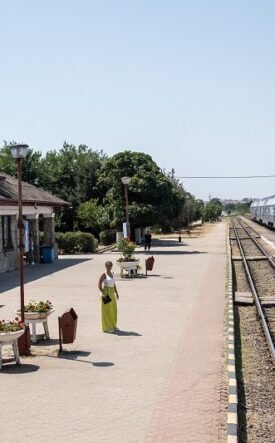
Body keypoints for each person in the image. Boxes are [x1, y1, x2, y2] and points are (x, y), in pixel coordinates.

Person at [98, 261, 119, 333]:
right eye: (108, 266)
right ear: (105, 266)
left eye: (110, 266)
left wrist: (117, 292)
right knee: (106, 311)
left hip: (112, 293)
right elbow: (99, 285)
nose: (109, 267)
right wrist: (103, 293)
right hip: (106, 293)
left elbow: (114, 284)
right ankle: (107, 328)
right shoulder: (104, 275)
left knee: (113, 310)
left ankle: (113, 325)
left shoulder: (112, 274)